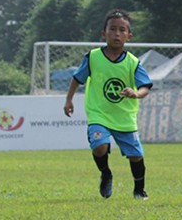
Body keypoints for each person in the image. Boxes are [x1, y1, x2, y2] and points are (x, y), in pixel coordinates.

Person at [63, 10, 152, 200]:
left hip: (124, 116)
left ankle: (139, 189)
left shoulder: (133, 62)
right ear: (104, 33)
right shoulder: (93, 57)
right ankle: (105, 173)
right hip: (99, 114)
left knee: (135, 156)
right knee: (100, 146)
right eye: (112, 29)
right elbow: (77, 78)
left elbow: (146, 86)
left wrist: (136, 93)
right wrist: (69, 99)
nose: (117, 34)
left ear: (129, 36)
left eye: (122, 30)